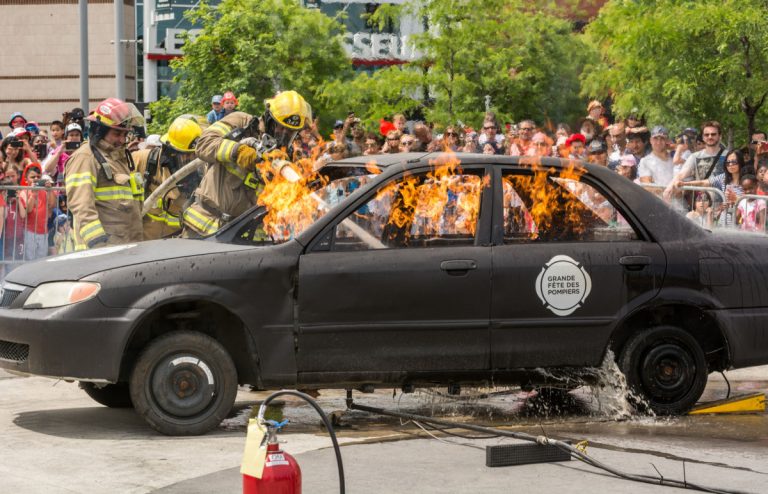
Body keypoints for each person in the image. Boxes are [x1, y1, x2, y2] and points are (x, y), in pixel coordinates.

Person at [182, 90, 311, 237]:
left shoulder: (286, 159)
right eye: (280, 128)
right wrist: (238, 151)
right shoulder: (241, 123)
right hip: (204, 225)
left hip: (241, 237)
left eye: (290, 132)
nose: (283, 135)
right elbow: (204, 143)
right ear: (269, 118)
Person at [66, 97, 146, 249]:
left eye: (125, 134)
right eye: (116, 134)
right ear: (100, 130)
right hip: (102, 251)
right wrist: (98, 246)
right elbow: (82, 205)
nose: (122, 140)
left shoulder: (118, 158)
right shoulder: (85, 157)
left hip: (125, 247)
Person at [133, 116, 203, 240]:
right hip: (144, 243)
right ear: (171, 151)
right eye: (186, 155)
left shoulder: (200, 171)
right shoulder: (144, 160)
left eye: (194, 154)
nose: (191, 160)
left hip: (176, 245)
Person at [665, 121, 726, 201]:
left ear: (720, 136)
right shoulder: (694, 156)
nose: (710, 137)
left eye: (713, 134)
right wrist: (670, 185)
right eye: (706, 135)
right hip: (701, 205)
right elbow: (681, 174)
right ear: (703, 137)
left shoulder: (728, 155)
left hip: (724, 204)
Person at [18, 164, 56, 260]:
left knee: (41, 261)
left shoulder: (44, 191)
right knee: (30, 261)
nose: (35, 179)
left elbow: (52, 205)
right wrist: (33, 194)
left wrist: (50, 190)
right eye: (32, 177)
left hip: (43, 232)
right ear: (26, 179)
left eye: (38, 177)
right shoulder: (24, 192)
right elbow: (29, 210)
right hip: (29, 232)